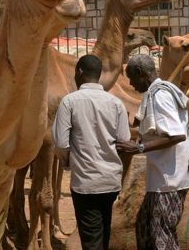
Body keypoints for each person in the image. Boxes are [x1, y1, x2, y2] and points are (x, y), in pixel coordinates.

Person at [117, 54, 189, 250]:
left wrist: (139, 148)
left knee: (162, 236)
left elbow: (177, 135)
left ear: (140, 73)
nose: (131, 84)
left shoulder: (160, 96)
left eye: (131, 78)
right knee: (144, 226)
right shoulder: (158, 93)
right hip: (164, 177)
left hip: (169, 179)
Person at [52, 54, 131, 250]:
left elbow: (61, 143)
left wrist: (68, 161)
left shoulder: (70, 102)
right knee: (103, 234)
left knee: (91, 240)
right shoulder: (116, 103)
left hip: (85, 183)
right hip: (111, 181)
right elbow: (124, 141)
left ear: (79, 72)